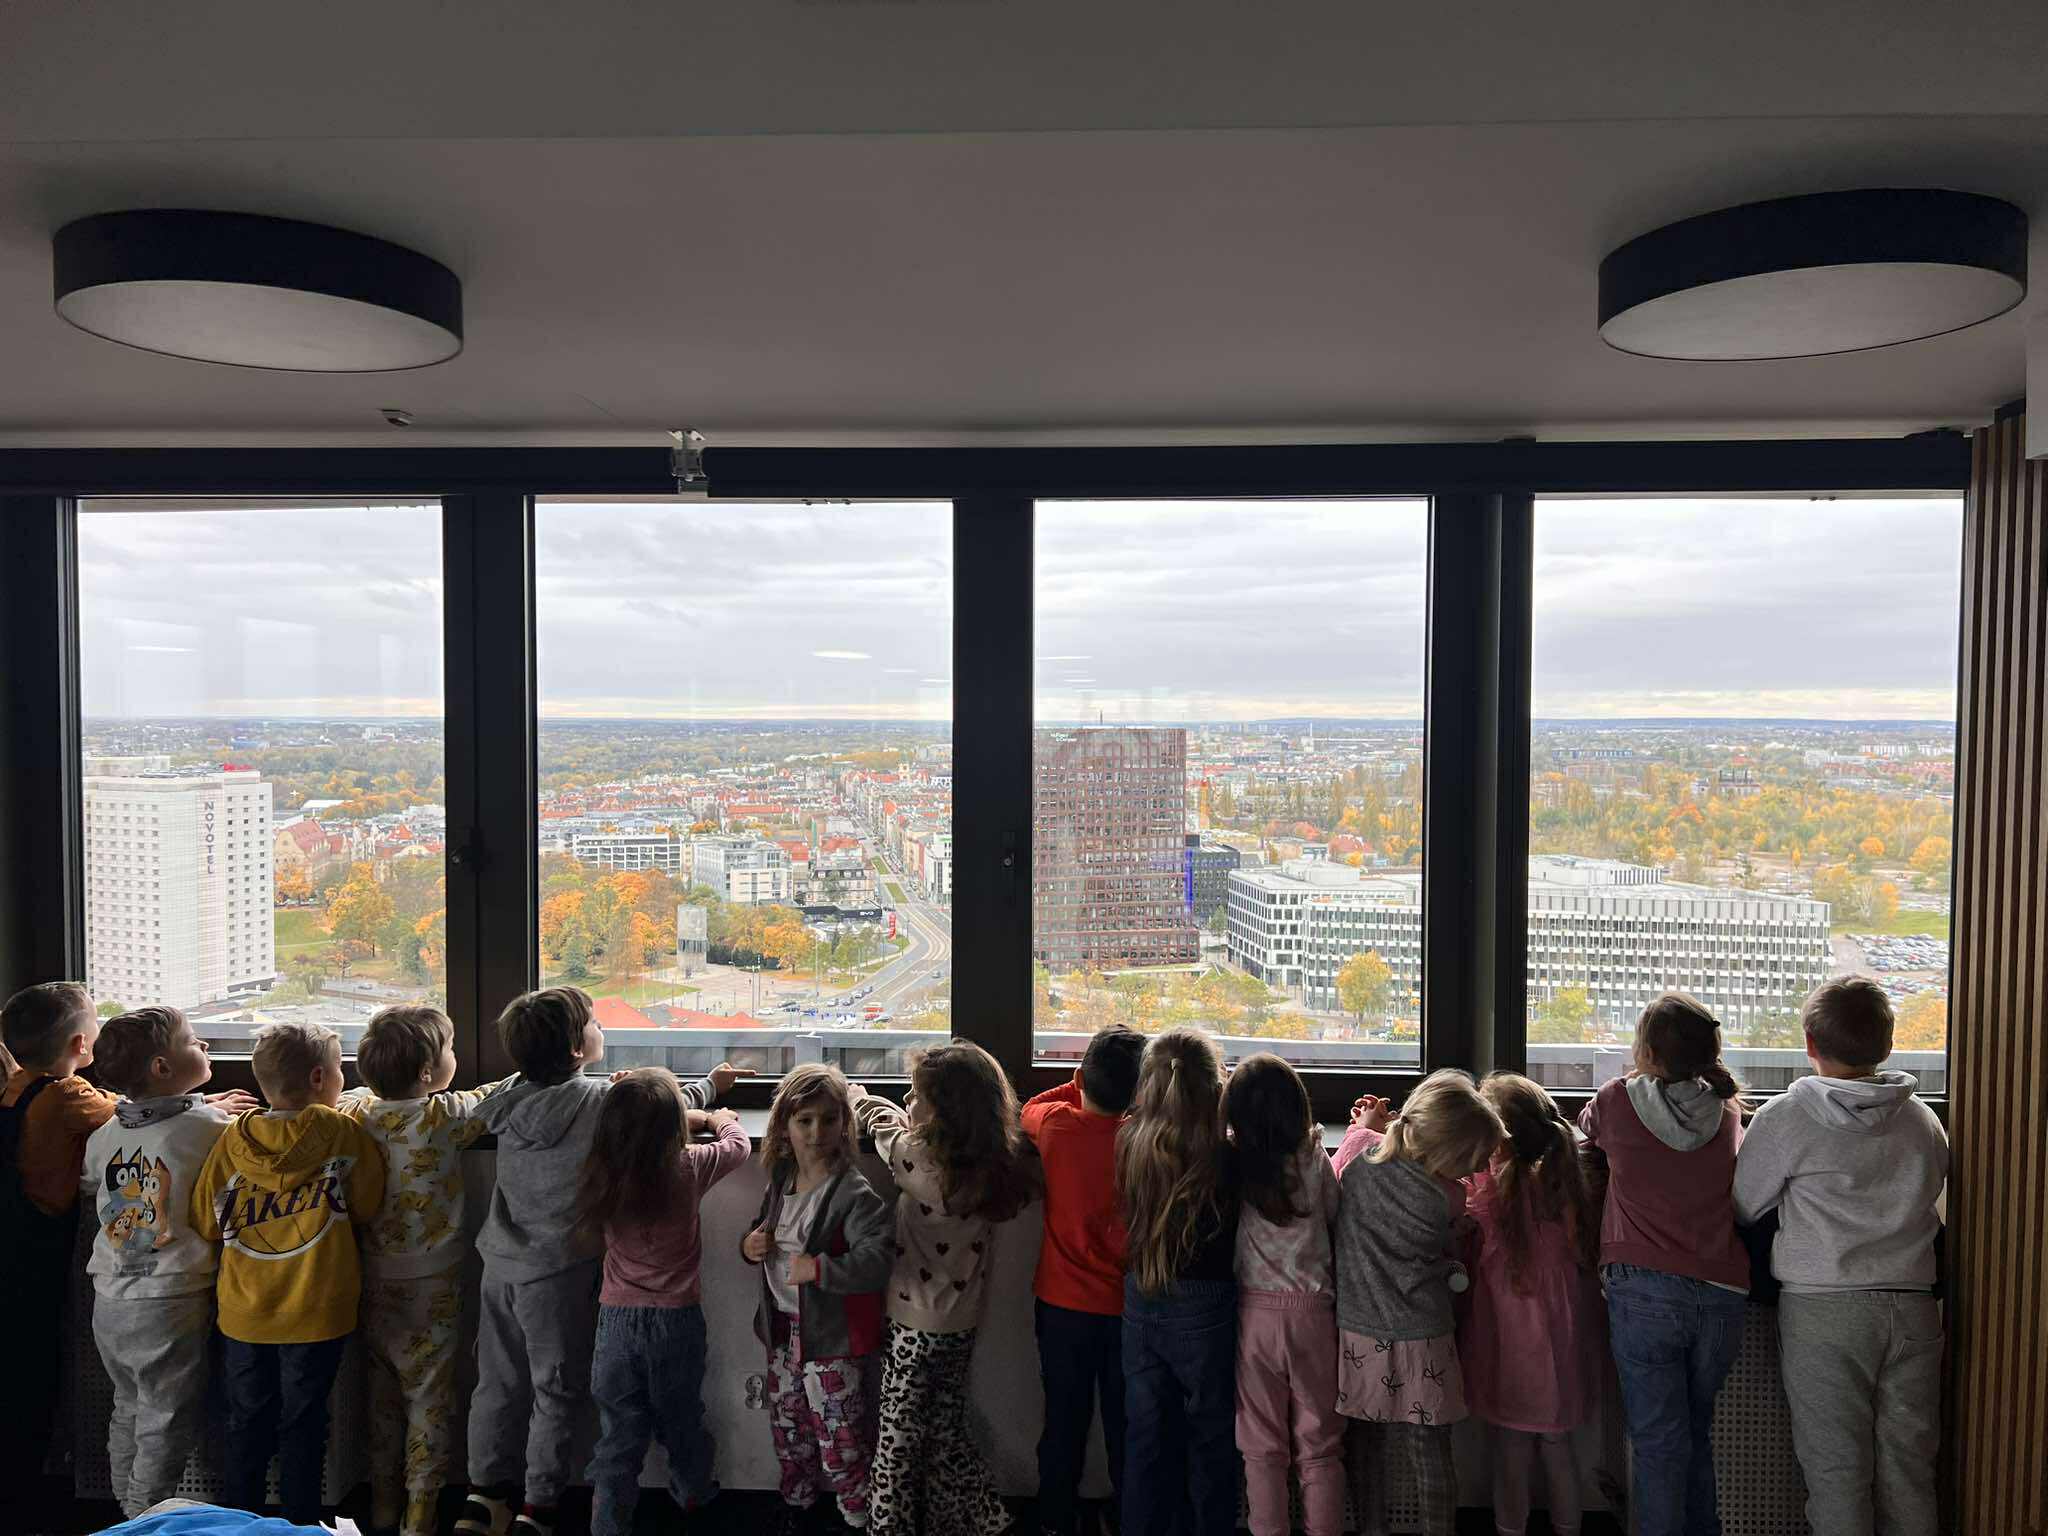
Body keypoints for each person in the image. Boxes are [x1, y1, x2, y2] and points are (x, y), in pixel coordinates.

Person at [458, 985, 740, 1536]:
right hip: (557, 1274)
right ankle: (539, 1505)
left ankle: (483, 1494)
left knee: (495, 1383)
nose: (601, 1028)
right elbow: (657, 1111)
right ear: (574, 1049)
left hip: (499, 1266)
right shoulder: (597, 1103)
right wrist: (712, 1089)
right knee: (555, 1389)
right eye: (594, 1023)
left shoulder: (508, 1100)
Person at [1733, 977, 1948, 1536]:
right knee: (1910, 1467)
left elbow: (1744, 1204)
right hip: (1914, 1306)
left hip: (1823, 1311)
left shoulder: (1785, 1117)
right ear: (1888, 1043)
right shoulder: (1922, 1119)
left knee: (1836, 1471)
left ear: (1809, 1043)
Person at [190, 1022, 387, 1528]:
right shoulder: (341, 1132)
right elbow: (367, 1204)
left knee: (245, 1422)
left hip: (244, 1313)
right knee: (305, 1423)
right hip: (318, 1311)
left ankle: (240, 1523)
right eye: (340, 1070)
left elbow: (206, 1220)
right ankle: (299, 1525)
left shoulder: (233, 1139)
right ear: (320, 1078)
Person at [336, 1005, 516, 1536]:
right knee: (429, 1396)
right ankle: (421, 1510)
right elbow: (500, 1093)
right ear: (426, 1073)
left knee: (382, 1396)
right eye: (450, 1050)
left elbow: (337, 1098)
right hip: (433, 1282)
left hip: (370, 1277)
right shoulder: (444, 1117)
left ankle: (383, 1503)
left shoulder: (355, 1114)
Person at [851, 1041, 1041, 1536]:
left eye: (917, 1096)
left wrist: (859, 1099)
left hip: (912, 1322)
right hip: (961, 1320)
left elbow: (886, 1131)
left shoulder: (917, 1161)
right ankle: (970, 1517)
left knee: (896, 1438)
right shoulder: (991, 1163)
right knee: (944, 1428)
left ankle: (887, 1526)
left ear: (943, 1113)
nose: (908, 1101)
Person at [1578, 993, 1749, 1536]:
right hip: (1722, 1291)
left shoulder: (1616, 1099)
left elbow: (1586, 1127)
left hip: (1644, 1288)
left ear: (1647, 1052)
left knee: (1657, 1443)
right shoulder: (1727, 1111)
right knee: (1695, 1434)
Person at [84, 1006, 256, 1519]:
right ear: (162, 1067)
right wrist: (211, 1111)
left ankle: (123, 1509)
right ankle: (145, 1516)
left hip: (110, 1297)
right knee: (167, 1415)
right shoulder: (210, 1129)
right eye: (193, 1041)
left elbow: (98, 1176)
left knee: (128, 1405)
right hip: (169, 1298)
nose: (205, 1046)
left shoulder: (104, 1134)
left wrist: (201, 1105)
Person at [1332, 1069, 1504, 1536]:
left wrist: (1367, 1126)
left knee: (1365, 1443)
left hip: (1359, 1329)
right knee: (1430, 1449)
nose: (1473, 1170)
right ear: (1445, 1156)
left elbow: (1346, 1163)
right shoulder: (1448, 1196)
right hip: (1424, 1335)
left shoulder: (1356, 1159)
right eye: (1470, 1160)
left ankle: (1371, 1527)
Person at [581, 1067, 751, 1536]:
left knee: (619, 1435)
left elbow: (631, 1120)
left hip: (616, 1324)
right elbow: (739, 1146)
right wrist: (718, 1118)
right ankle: (694, 1498)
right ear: (676, 1128)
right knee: (682, 1423)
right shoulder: (689, 1166)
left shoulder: (603, 1168)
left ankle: (607, 1523)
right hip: (676, 1323)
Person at [742, 1063, 893, 1536]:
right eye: (804, 1120)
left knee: (842, 1437)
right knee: (789, 1429)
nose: (816, 1132)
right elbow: (762, 1230)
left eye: (829, 1119)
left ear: (844, 1123)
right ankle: (799, 1504)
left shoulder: (852, 1191)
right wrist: (749, 1245)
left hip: (832, 1344)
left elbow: (878, 1260)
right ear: (784, 1126)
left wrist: (821, 1269)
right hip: (783, 1335)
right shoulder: (782, 1177)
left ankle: (858, 1516)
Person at [1462, 1073, 1604, 1536]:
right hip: (1562, 1349)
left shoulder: (1487, 1193)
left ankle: (1510, 1528)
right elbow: (1582, 1258)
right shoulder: (1566, 1187)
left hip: (1511, 1350)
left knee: (1511, 1448)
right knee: (1559, 1448)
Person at [1115, 1027, 1240, 1536]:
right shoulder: (1224, 1155)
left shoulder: (1129, 1139)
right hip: (1205, 1308)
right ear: (1214, 1087)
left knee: (1145, 1435)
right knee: (1211, 1435)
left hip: (1141, 1296)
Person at [1021, 1025, 1145, 1536]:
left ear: (1080, 1078)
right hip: (1127, 1309)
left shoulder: (1056, 1126)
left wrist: (1075, 1085)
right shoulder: (1143, 1141)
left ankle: (1055, 1518)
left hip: (1062, 1306)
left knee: (1063, 1421)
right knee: (1126, 1422)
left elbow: (1028, 1107)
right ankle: (1128, 1516)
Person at [0, 981, 118, 1513]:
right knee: (37, 1368)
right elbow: (126, 1111)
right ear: (80, 1045)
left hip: (11, 1236)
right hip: (38, 1248)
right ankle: (23, 1493)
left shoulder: (14, 1084)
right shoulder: (68, 1094)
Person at [1223, 1053, 1343, 1536]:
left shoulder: (1235, 1164)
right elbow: (1333, 1214)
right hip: (1313, 1315)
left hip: (1255, 1317)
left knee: (1261, 1448)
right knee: (1321, 1447)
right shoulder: (1314, 1158)